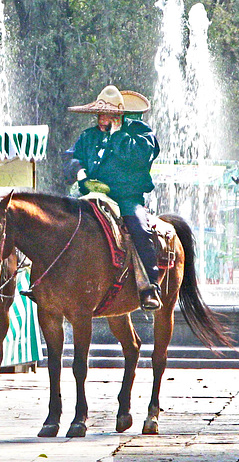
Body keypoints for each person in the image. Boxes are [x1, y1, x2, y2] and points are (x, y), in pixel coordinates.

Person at [64, 85, 162, 311]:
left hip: (126, 198)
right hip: (90, 196)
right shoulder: (88, 136)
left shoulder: (140, 133)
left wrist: (118, 135)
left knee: (138, 228)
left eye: (106, 114)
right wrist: (81, 174)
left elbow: (138, 157)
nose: (100, 118)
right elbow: (71, 157)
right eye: (99, 113)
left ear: (119, 114)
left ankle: (149, 287)